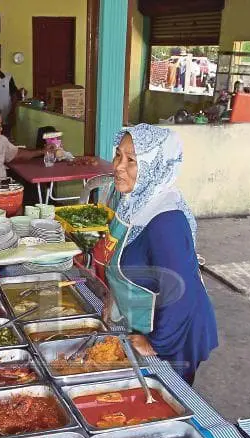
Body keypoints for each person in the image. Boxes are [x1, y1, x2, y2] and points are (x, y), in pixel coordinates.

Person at [99, 124, 218, 384]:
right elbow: (126, 257)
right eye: (118, 155)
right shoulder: (132, 202)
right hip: (142, 319)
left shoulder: (166, 220)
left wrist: (155, 345)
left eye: (132, 160)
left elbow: (181, 291)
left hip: (173, 336)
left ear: (156, 166)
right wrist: (114, 295)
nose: (118, 166)